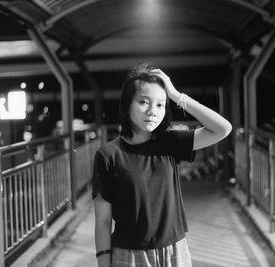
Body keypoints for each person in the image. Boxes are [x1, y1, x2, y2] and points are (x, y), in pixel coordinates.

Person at [92, 64, 232, 267]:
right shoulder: (108, 155)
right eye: (143, 102)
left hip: (175, 250)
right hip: (129, 255)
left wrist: (176, 95)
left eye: (160, 105)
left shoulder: (170, 142)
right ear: (126, 105)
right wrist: (104, 263)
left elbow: (223, 129)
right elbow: (103, 221)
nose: (152, 111)